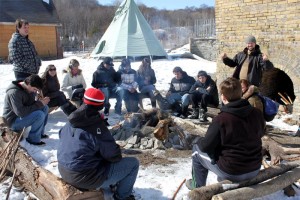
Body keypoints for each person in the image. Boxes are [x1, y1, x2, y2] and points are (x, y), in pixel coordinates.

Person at [57, 88, 139, 200]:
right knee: (133, 164)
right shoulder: (96, 127)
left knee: (99, 155)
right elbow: (113, 155)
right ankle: (122, 196)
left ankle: (112, 182)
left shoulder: (71, 120)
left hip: (64, 170)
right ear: (100, 106)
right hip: (84, 177)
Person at [186, 77, 265, 190]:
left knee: (196, 151)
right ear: (241, 92)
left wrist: (199, 140)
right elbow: (261, 133)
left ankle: (197, 187)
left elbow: (205, 147)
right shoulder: (257, 113)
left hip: (233, 171)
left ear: (223, 96)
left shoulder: (221, 119)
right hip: (255, 167)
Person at [2, 75, 50, 146]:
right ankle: (33, 139)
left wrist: (41, 102)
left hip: (21, 117)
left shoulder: (29, 89)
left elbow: (30, 104)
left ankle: (39, 133)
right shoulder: (14, 92)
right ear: (28, 84)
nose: (35, 91)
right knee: (39, 115)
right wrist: (39, 104)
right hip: (12, 121)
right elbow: (20, 113)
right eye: (35, 89)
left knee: (45, 107)